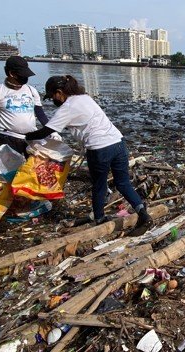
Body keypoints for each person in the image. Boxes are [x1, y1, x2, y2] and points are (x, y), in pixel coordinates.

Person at [25, 75, 153, 236]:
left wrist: (27, 137)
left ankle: (99, 219)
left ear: (59, 92)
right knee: (123, 183)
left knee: (99, 185)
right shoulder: (84, 98)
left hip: (99, 149)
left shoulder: (67, 107)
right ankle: (143, 214)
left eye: (52, 96)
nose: (52, 100)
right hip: (118, 143)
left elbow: (47, 130)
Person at [0, 56, 61, 156]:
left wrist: (52, 132)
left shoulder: (31, 90)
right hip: (9, 138)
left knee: (33, 169)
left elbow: (40, 114)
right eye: (22, 75)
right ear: (11, 74)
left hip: (31, 137)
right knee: (11, 169)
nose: (26, 78)